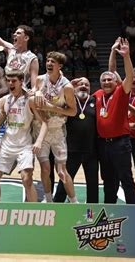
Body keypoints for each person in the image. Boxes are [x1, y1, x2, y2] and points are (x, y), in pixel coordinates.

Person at [0, 69, 47, 202]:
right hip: (6, 144)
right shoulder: (5, 100)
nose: (10, 83)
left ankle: (34, 212)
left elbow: (44, 123)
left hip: (24, 145)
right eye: (8, 81)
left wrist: (38, 142)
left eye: (14, 81)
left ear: (21, 82)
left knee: (27, 179)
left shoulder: (30, 100)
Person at [93, 37, 135, 204]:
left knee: (126, 178)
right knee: (108, 180)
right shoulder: (97, 95)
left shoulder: (121, 92)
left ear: (116, 81)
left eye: (109, 79)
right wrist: (112, 51)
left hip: (120, 143)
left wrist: (125, 56)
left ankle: (134, 210)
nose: (106, 82)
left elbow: (130, 75)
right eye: (103, 80)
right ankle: (110, 210)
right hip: (102, 144)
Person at [34, 51, 78, 203]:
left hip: (58, 131)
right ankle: (48, 200)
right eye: (47, 60)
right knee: (45, 169)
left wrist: (52, 108)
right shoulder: (40, 80)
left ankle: (74, 202)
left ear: (60, 66)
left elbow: (73, 111)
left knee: (61, 171)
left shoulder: (67, 87)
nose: (49, 64)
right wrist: (37, 92)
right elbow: (32, 100)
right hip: (41, 130)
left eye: (53, 62)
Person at [109, 40, 135, 202]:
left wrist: (127, 105)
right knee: (119, 172)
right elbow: (111, 71)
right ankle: (116, 200)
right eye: (133, 77)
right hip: (124, 136)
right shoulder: (124, 88)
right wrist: (113, 51)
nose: (134, 80)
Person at [53, 77, 99, 203]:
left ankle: (91, 212)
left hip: (91, 151)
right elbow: (55, 100)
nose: (84, 86)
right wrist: (69, 86)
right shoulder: (69, 102)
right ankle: (57, 206)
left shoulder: (95, 101)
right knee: (65, 181)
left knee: (93, 184)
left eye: (87, 84)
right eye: (80, 84)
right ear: (75, 88)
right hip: (72, 150)